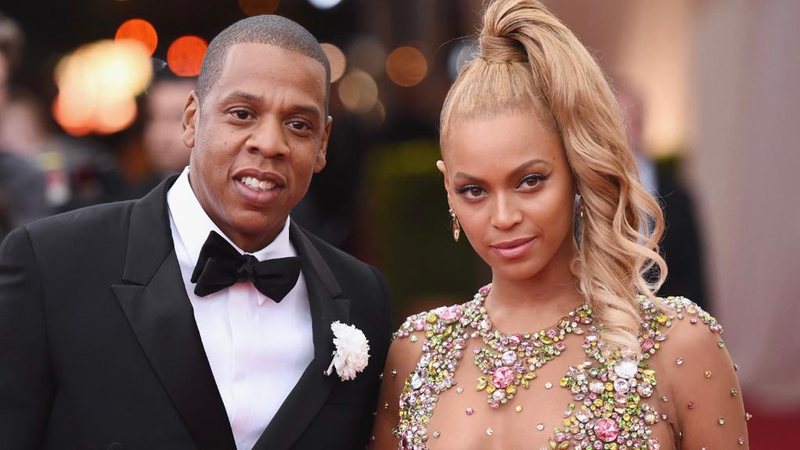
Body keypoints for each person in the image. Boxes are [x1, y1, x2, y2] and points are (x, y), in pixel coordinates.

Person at [0, 14, 391, 450]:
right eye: (242, 114)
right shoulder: (53, 263)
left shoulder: (363, 296)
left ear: (322, 144)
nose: (270, 143)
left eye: (298, 124)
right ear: (191, 120)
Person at [370, 1, 748, 449]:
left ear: (577, 172)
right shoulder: (416, 353)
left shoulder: (680, 346)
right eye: (474, 190)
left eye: (530, 181)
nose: (504, 217)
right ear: (448, 188)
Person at [614, 82, 709, 311]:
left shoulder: (678, 192)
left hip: (668, 319)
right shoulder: (585, 188)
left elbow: (694, 271)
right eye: (621, 120)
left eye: (634, 121)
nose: (628, 130)